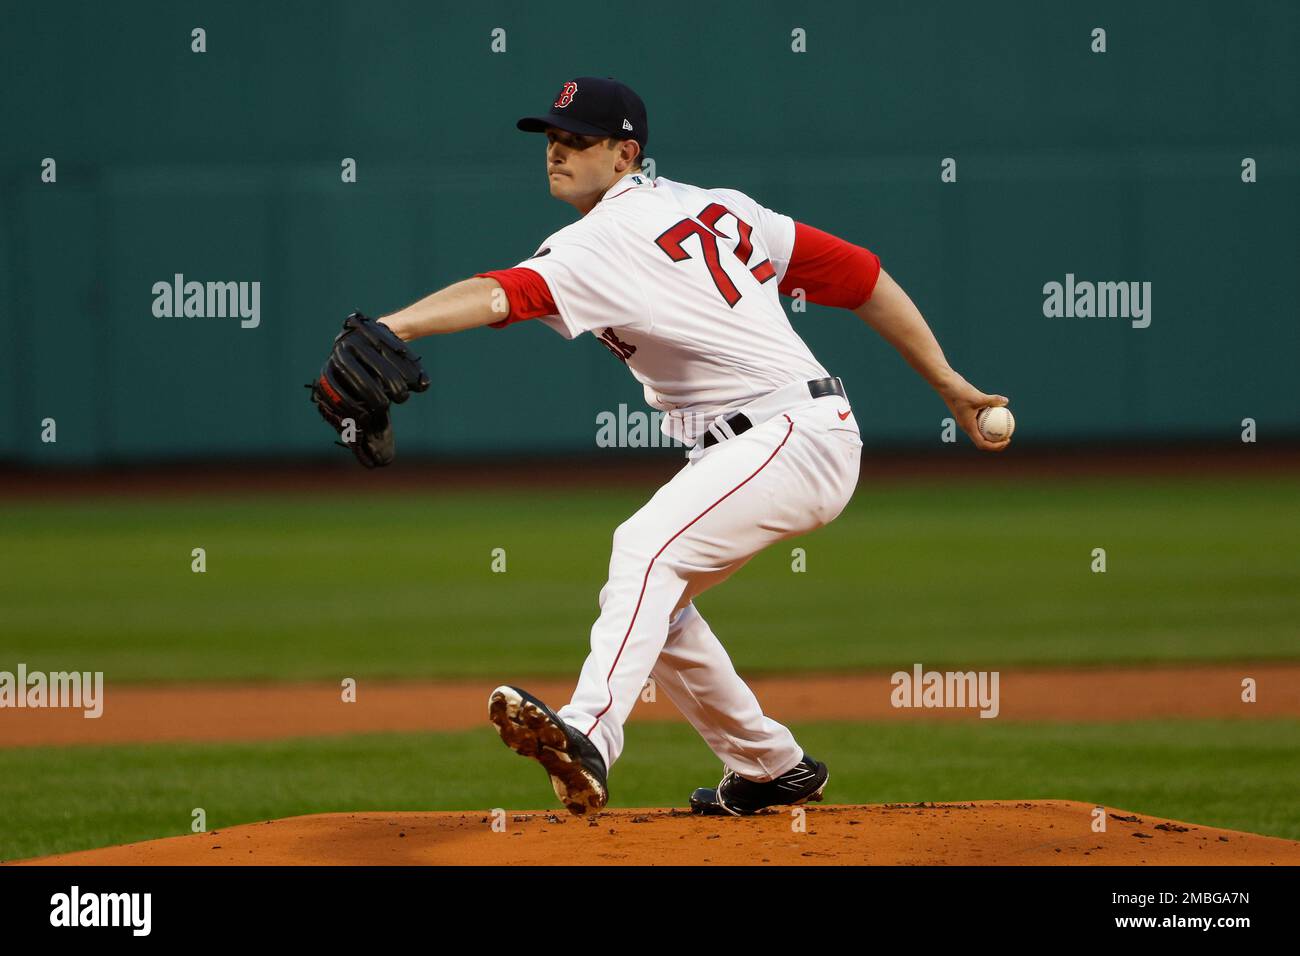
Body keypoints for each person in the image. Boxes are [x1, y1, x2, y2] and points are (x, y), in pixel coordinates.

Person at [339, 76, 1009, 817]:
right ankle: (770, 766)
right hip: (787, 437)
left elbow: (505, 293)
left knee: (643, 549)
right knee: (658, 607)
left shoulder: (602, 237)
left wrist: (396, 326)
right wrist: (947, 381)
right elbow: (863, 277)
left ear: (625, 154)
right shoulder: (720, 207)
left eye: (577, 141)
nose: (556, 153)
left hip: (788, 435)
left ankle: (589, 733)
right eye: (551, 139)